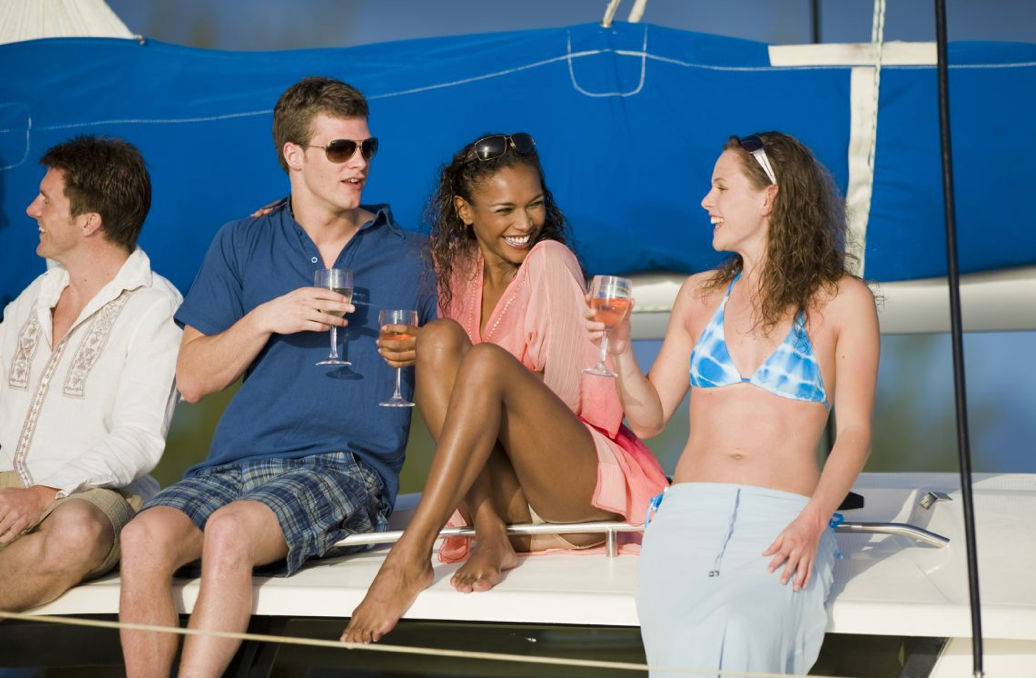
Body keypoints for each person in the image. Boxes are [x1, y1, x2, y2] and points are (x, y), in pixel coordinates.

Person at [118, 76, 436, 678]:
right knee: (142, 537)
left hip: (346, 466)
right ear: (293, 155)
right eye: (340, 149)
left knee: (229, 532)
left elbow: (462, 367)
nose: (360, 162)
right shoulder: (240, 242)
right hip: (234, 465)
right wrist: (266, 317)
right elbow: (193, 379)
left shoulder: (417, 257)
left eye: (367, 147)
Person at [343, 132, 668, 644]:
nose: (525, 223)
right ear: (465, 211)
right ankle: (489, 531)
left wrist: (496, 386)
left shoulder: (550, 261)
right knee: (439, 339)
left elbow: (578, 405)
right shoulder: (453, 271)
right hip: (503, 499)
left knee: (485, 363)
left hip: (572, 491)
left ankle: (410, 555)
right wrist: (285, 215)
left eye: (534, 204)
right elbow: (381, 248)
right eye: (505, 210)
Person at [602, 132, 879, 676]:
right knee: (683, 655)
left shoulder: (843, 301)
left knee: (743, 636)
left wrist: (813, 522)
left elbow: (855, 434)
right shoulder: (699, 294)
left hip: (784, 523)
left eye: (721, 187)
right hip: (686, 516)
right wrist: (618, 349)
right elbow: (649, 418)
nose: (706, 201)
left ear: (769, 198)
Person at [0, 136, 180, 611]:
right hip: (7, 487)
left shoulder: (156, 307)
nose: (31, 209)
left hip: (91, 494)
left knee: (76, 532)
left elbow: (139, 439)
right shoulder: (33, 297)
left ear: (89, 222)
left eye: (46, 199)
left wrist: (45, 493)